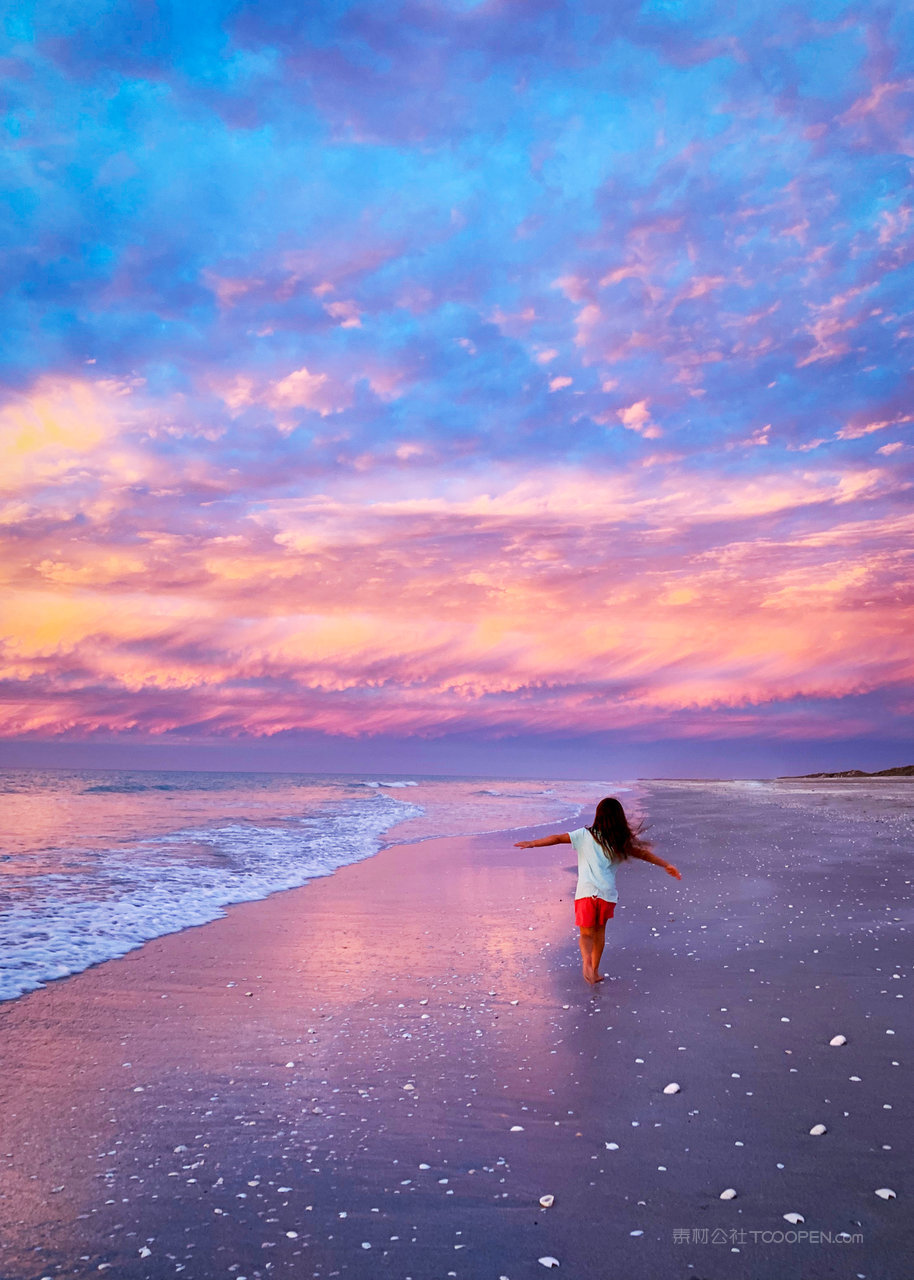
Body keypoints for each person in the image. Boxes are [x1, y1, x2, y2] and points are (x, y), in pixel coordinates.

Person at [515, 796, 681, 985]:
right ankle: (594, 970)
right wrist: (666, 864)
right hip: (606, 895)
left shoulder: (583, 835)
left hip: (586, 894)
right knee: (600, 932)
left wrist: (532, 843)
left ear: (598, 815)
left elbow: (557, 838)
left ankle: (586, 962)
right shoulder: (620, 842)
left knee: (586, 934)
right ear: (619, 818)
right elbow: (643, 854)